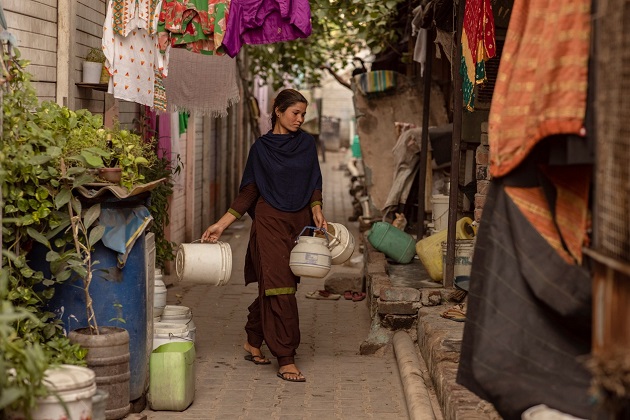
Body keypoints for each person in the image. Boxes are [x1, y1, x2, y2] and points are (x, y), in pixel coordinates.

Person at [201, 89, 327, 383]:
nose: (300, 119)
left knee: (278, 284)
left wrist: (318, 209)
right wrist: (222, 224)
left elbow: (314, 181)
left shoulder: (307, 144)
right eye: (295, 113)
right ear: (278, 111)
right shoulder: (261, 148)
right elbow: (250, 191)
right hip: (269, 220)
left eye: (303, 114)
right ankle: (286, 356)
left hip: (299, 221)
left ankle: (253, 338)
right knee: (280, 285)